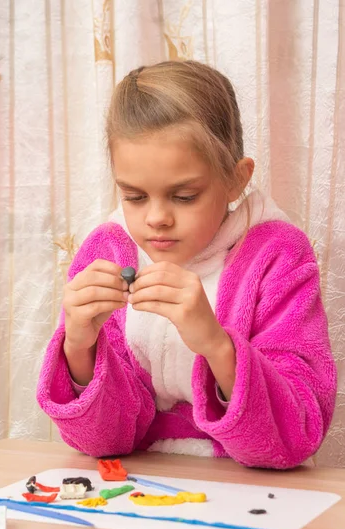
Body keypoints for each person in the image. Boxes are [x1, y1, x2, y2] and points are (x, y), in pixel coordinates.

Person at [37, 60, 336, 469]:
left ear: (236, 179)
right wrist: (79, 348)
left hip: (255, 495)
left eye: (184, 196)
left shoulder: (278, 256)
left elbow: (298, 434)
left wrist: (216, 344)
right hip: (138, 490)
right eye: (135, 197)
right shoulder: (107, 254)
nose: (156, 217)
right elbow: (102, 442)